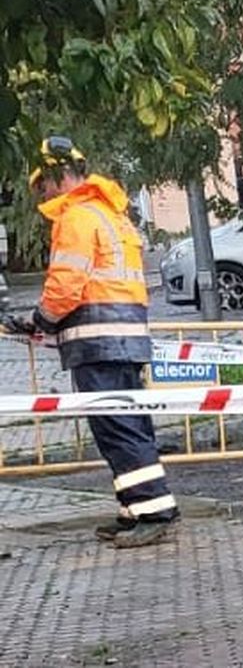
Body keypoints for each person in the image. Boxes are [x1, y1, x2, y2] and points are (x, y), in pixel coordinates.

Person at [3, 137, 179, 547]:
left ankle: (154, 511)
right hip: (126, 336)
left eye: (41, 187)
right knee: (129, 423)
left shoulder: (77, 217)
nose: (40, 197)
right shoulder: (112, 215)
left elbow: (66, 284)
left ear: (58, 176)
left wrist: (39, 320)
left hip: (98, 341)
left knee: (116, 428)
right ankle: (135, 508)